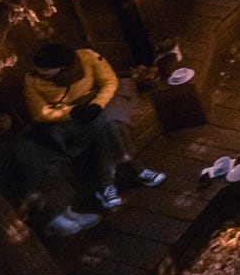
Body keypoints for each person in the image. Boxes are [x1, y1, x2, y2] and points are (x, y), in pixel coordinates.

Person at [24, 42, 163, 212]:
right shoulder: (32, 81)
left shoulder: (88, 57)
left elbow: (110, 81)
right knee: (108, 126)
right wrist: (71, 112)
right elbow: (39, 113)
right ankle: (138, 169)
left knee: (107, 120)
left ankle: (106, 185)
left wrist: (97, 104)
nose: (40, 71)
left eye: (45, 69)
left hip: (103, 100)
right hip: (71, 116)